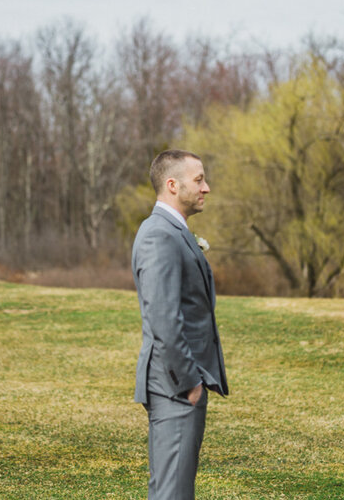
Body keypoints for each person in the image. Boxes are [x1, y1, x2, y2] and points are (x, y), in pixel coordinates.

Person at [132, 149, 229, 500]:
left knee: (172, 488)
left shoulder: (173, 231)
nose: (206, 188)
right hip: (175, 386)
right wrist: (189, 382)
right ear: (172, 185)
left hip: (178, 385)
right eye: (199, 180)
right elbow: (163, 318)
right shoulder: (160, 235)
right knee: (173, 492)